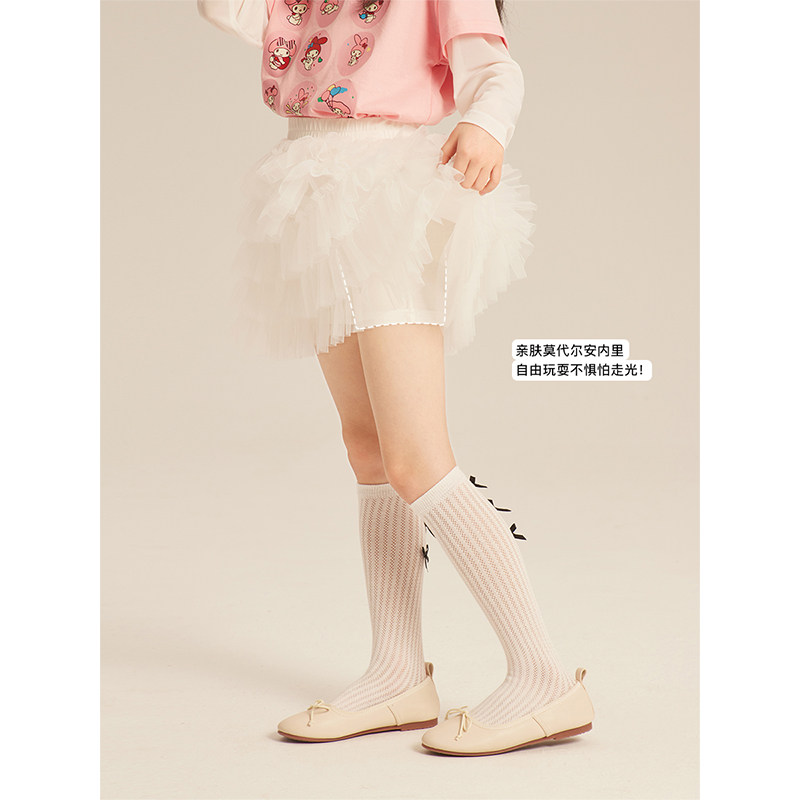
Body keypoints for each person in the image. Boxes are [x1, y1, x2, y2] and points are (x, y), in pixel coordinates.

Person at [197, 0, 595, 757]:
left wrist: (486, 126)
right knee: (370, 449)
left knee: (417, 458)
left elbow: (495, 69)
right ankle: (396, 673)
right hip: (314, 191)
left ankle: (543, 674)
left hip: (385, 196)